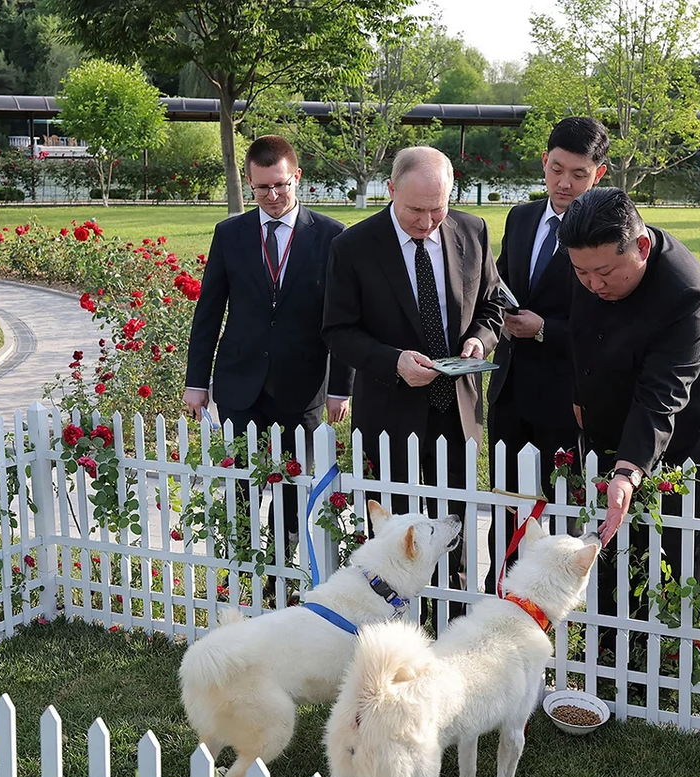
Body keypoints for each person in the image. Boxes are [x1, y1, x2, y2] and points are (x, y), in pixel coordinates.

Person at [559, 186, 700, 641]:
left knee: (679, 554)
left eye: (603, 273)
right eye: (581, 272)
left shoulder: (686, 293)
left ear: (640, 248)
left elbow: (663, 393)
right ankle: (611, 647)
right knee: (616, 545)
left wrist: (628, 469)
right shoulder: (592, 260)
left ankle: (673, 656)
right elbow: (582, 331)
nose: (593, 284)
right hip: (622, 422)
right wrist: (583, 393)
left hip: (695, 436)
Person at [322, 145, 503, 620]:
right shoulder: (353, 247)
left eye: (437, 208)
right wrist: (393, 361)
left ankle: (454, 624)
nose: (427, 222)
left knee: (453, 527)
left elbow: (492, 307)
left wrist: (480, 342)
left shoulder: (472, 229)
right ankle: (397, 627)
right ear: (391, 191)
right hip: (389, 413)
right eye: (415, 210)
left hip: (457, 409)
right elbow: (338, 332)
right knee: (396, 533)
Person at [184, 135, 353, 567]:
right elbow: (209, 311)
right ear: (249, 183)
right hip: (240, 383)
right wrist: (195, 381)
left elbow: (346, 319)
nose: (273, 196)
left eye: (281, 184)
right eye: (262, 188)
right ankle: (245, 568)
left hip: (304, 387)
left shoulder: (333, 237)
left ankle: (281, 566)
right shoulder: (230, 234)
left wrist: (341, 388)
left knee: (294, 489)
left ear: (297, 177)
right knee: (241, 484)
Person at [484, 116, 609, 593]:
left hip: (568, 393)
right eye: (557, 169)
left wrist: (544, 331)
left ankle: (557, 609)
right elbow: (498, 282)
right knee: (508, 506)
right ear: (544, 162)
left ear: (598, 174)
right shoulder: (520, 217)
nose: (564, 183)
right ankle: (503, 597)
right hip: (510, 389)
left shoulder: (607, 229)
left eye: (579, 174)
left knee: (561, 514)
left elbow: (608, 320)